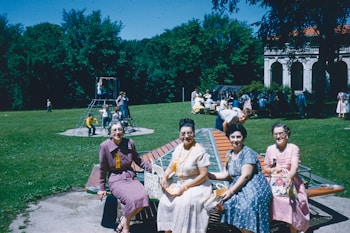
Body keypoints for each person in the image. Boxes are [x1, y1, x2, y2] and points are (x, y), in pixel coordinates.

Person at [208, 124, 272, 233]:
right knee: (226, 203)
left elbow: (246, 175)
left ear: (243, 137)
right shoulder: (229, 154)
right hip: (239, 187)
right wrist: (207, 174)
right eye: (233, 137)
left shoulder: (247, 153)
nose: (235, 140)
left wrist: (231, 191)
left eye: (239, 137)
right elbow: (225, 174)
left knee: (246, 206)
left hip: (253, 186)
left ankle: (250, 230)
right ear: (228, 138)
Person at [157, 118, 212, 233]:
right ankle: (169, 230)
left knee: (183, 202)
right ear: (179, 134)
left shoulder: (199, 151)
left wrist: (186, 187)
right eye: (183, 133)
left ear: (194, 133)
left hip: (198, 185)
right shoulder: (178, 148)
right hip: (181, 183)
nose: (186, 136)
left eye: (189, 133)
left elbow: (203, 175)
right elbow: (172, 166)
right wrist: (165, 177)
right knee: (165, 201)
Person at [97, 122, 152, 233]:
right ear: (110, 132)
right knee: (131, 200)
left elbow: (138, 160)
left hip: (131, 177)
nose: (117, 132)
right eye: (114, 130)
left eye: (120, 129)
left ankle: (124, 219)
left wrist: (152, 169)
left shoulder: (129, 143)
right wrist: (102, 188)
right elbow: (102, 168)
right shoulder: (105, 146)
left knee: (144, 197)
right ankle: (126, 227)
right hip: (116, 179)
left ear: (123, 131)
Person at [264, 122, 310, 233]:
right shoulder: (270, 149)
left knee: (291, 202)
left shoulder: (293, 148)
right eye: (275, 134)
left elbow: (294, 166)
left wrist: (289, 176)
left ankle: (293, 229)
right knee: (265, 199)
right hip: (274, 180)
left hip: (291, 179)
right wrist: (273, 169)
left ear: (287, 134)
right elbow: (266, 167)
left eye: (280, 133)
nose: (278, 136)